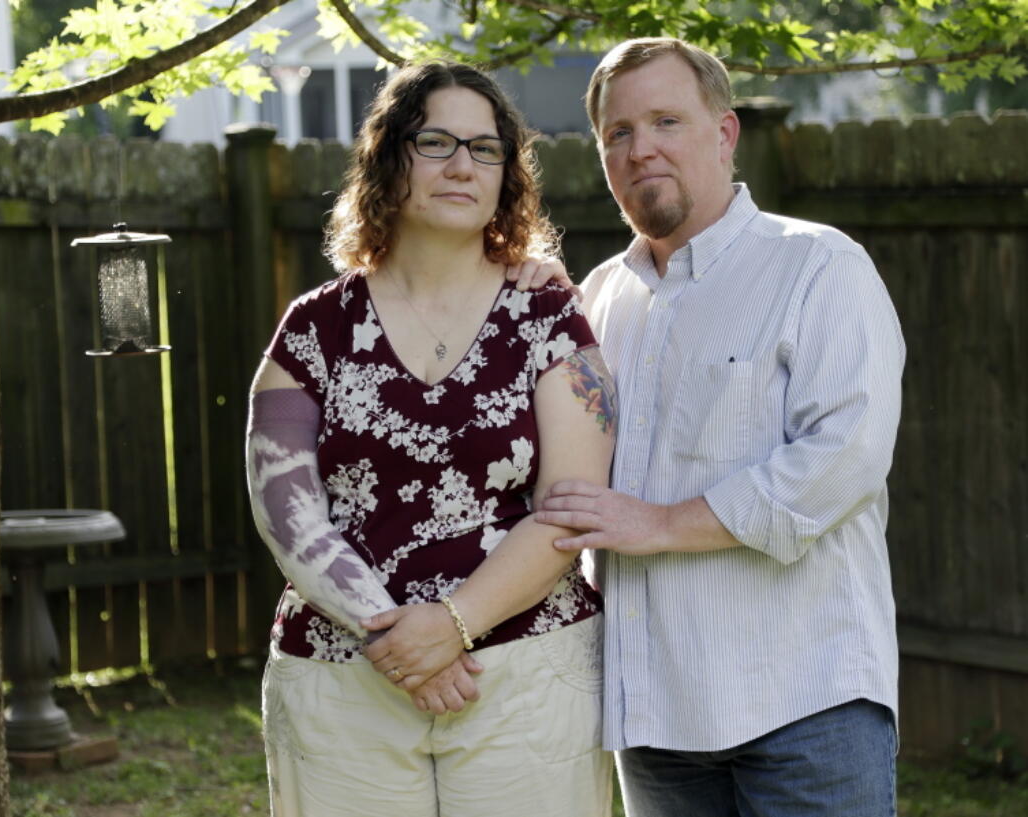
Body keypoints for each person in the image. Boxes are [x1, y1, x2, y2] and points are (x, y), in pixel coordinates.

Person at [523, 37, 906, 817]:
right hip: (655, 720)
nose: (641, 150)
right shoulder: (596, 301)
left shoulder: (819, 267)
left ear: (725, 133)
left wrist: (660, 522)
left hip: (806, 704)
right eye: (618, 134)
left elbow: (845, 459)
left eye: (666, 121)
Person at [245, 60, 617, 817]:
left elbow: (570, 508)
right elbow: (286, 508)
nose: (461, 165)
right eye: (436, 141)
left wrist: (450, 626)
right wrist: (396, 638)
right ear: (390, 158)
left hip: (525, 675)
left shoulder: (550, 319)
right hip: (342, 679)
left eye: (485, 149)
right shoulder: (314, 327)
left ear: (507, 174)